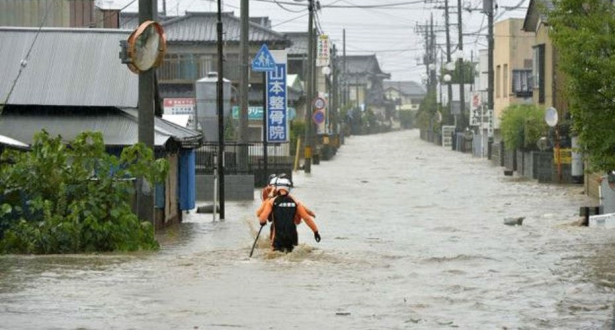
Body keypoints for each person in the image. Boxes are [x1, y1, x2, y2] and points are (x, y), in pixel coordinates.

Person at [257, 178, 320, 252]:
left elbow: (262, 217)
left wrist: (262, 222)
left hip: (278, 236)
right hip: (292, 235)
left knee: (276, 257)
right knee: (291, 255)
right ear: (288, 188)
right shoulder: (295, 201)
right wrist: (315, 231)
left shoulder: (272, 201)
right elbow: (306, 218)